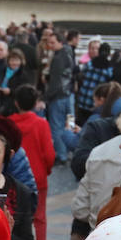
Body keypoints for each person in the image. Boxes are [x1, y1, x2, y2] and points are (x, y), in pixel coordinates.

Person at [7, 85, 58, 240]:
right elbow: (49, 154)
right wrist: (46, 170)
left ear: (16, 103)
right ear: (35, 103)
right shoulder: (41, 124)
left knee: (12, 214)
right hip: (38, 176)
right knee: (40, 217)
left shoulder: (9, 123)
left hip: (13, 177)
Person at [43, 31, 78, 164]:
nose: (50, 45)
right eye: (49, 42)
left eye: (53, 43)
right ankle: (71, 150)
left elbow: (56, 82)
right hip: (69, 94)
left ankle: (62, 155)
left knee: (57, 127)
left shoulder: (58, 58)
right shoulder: (69, 52)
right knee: (70, 123)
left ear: (60, 42)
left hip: (59, 96)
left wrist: (46, 97)